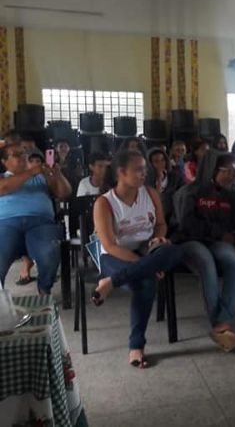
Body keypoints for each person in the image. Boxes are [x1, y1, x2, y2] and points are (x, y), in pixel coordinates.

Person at [92, 149, 184, 368]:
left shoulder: (150, 193)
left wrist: (157, 239)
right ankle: (136, 346)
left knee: (173, 251)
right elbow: (110, 245)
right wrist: (148, 266)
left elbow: (160, 224)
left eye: (145, 169)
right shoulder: (104, 203)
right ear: (121, 172)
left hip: (146, 250)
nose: (145, 173)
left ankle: (111, 282)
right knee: (145, 282)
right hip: (113, 256)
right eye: (138, 169)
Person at [174, 150, 235, 352]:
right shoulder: (190, 192)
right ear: (212, 170)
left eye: (234, 171)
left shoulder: (230, 194)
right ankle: (219, 324)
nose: (231, 175)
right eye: (227, 171)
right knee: (206, 262)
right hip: (189, 241)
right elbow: (187, 224)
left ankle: (223, 320)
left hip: (215, 242)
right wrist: (218, 232)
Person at [0, 143, 71, 293]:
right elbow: (3, 188)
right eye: (16, 155)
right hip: (6, 225)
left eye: (23, 154)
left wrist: (57, 174)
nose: (22, 157)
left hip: (41, 223)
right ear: (4, 161)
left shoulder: (41, 177)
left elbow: (64, 193)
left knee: (49, 252)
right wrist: (31, 172)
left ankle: (44, 289)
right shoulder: (3, 178)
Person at [16, 148, 46, 286]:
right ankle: (27, 261)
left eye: (38, 161)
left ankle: (37, 266)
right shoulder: (20, 178)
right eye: (31, 161)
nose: (34, 164)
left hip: (43, 217)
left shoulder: (46, 177)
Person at [145, 148, 184, 229]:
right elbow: (154, 200)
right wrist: (159, 180)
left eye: (162, 160)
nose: (161, 163)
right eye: (156, 161)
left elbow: (181, 197)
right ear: (150, 164)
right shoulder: (145, 180)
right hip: (152, 215)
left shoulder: (175, 177)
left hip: (172, 214)